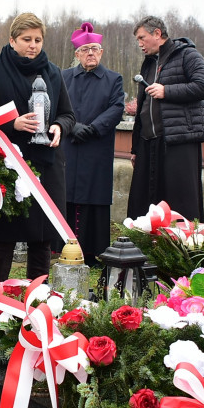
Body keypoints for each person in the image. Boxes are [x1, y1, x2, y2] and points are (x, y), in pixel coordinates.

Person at [0, 12, 75, 280]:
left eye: (38, 39)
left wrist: (59, 126)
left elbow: (67, 114)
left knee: (41, 240)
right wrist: (11, 124)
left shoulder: (53, 72)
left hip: (46, 166)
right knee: (3, 239)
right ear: (12, 40)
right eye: (26, 39)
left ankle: (36, 297)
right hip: (9, 166)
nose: (33, 45)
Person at [127, 15, 204, 221]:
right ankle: (148, 246)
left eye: (142, 38)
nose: (139, 44)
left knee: (179, 202)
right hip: (149, 143)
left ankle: (182, 247)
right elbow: (144, 108)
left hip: (178, 141)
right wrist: (135, 148)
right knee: (146, 202)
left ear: (157, 33)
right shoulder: (147, 64)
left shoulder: (188, 55)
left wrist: (167, 91)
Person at [60, 23, 124, 267]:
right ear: (77, 54)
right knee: (67, 194)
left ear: (102, 52)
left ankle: (93, 250)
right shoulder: (64, 77)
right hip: (70, 144)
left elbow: (116, 108)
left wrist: (93, 128)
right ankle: (62, 247)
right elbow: (56, 104)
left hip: (97, 146)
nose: (90, 53)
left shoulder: (113, 79)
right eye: (85, 49)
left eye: (95, 49)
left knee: (92, 197)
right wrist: (72, 126)